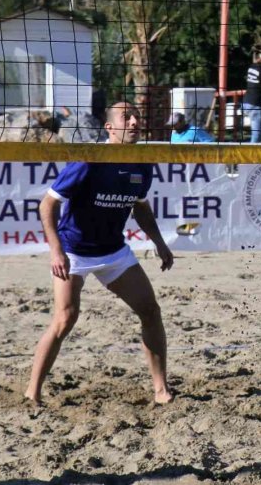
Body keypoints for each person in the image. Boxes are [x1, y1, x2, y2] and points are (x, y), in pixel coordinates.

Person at [25, 102, 175, 405]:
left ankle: (161, 390)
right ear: (109, 127)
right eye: (126, 117)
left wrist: (159, 242)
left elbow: (141, 207)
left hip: (113, 251)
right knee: (66, 318)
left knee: (150, 311)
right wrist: (56, 252)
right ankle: (33, 392)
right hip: (74, 250)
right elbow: (47, 205)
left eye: (137, 117)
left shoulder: (142, 162)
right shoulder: (89, 161)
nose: (134, 122)